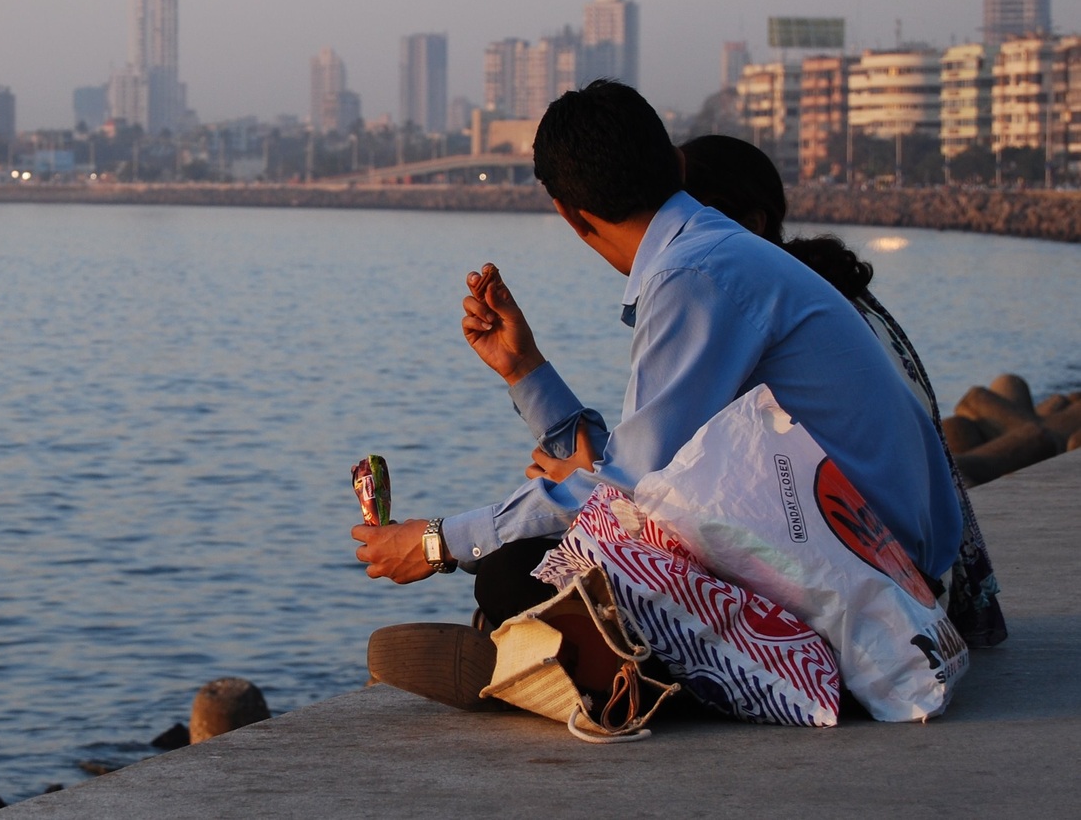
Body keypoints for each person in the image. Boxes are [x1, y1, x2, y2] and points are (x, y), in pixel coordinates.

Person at [354, 82, 964, 705]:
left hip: (865, 594)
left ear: (568, 214)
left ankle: (613, 681)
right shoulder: (715, 253)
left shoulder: (692, 275)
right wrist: (525, 370)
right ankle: (555, 658)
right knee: (543, 555)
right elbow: (642, 469)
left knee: (516, 573)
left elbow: (628, 486)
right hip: (884, 569)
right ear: (674, 163)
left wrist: (437, 543)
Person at [678, 133, 1004, 647]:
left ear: (752, 224)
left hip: (883, 592)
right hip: (934, 574)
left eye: (688, 221)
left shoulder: (757, 307)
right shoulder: (835, 296)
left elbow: (671, 467)